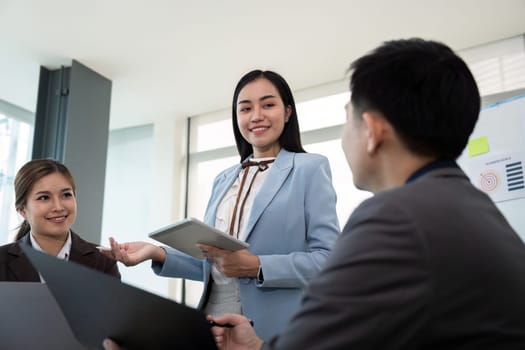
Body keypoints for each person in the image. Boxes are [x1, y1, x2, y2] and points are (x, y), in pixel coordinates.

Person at [199, 38, 525, 349]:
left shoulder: (394, 219)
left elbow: (327, 337)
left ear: (372, 131)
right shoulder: (478, 210)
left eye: (346, 117)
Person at [103, 70, 340, 340]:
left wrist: (255, 265)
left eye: (268, 104)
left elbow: (329, 260)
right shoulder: (224, 180)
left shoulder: (309, 169)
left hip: (273, 330)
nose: (256, 116)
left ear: (287, 112)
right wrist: (155, 253)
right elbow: (214, 265)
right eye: (246, 108)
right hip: (214, 323)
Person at [0, 159, 120, 281]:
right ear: (22, 210)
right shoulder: (2, 261)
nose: (58, 207)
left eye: (66, 195)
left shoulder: (103, 261)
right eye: (44, 197)